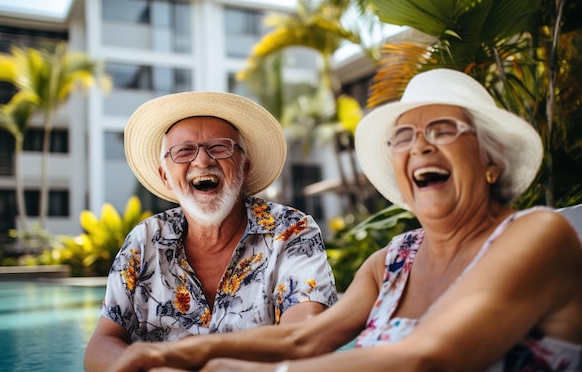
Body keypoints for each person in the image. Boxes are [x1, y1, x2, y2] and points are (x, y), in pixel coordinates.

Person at [107, 69, 582, 372]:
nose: (420, 147)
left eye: (443, 130)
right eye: (404, 137)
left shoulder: (539, 234)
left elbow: (428, 358)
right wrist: (184, 354)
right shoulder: (391, 262)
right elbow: (302, 336)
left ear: (490, 160)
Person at [83, 91, 338, 372]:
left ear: (245, 166)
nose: (202, 161)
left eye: (219, 148)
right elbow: (102, 342)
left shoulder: (291, 231)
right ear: (165, 177)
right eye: (184, 151)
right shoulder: (144, 240)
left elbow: (304, 336)